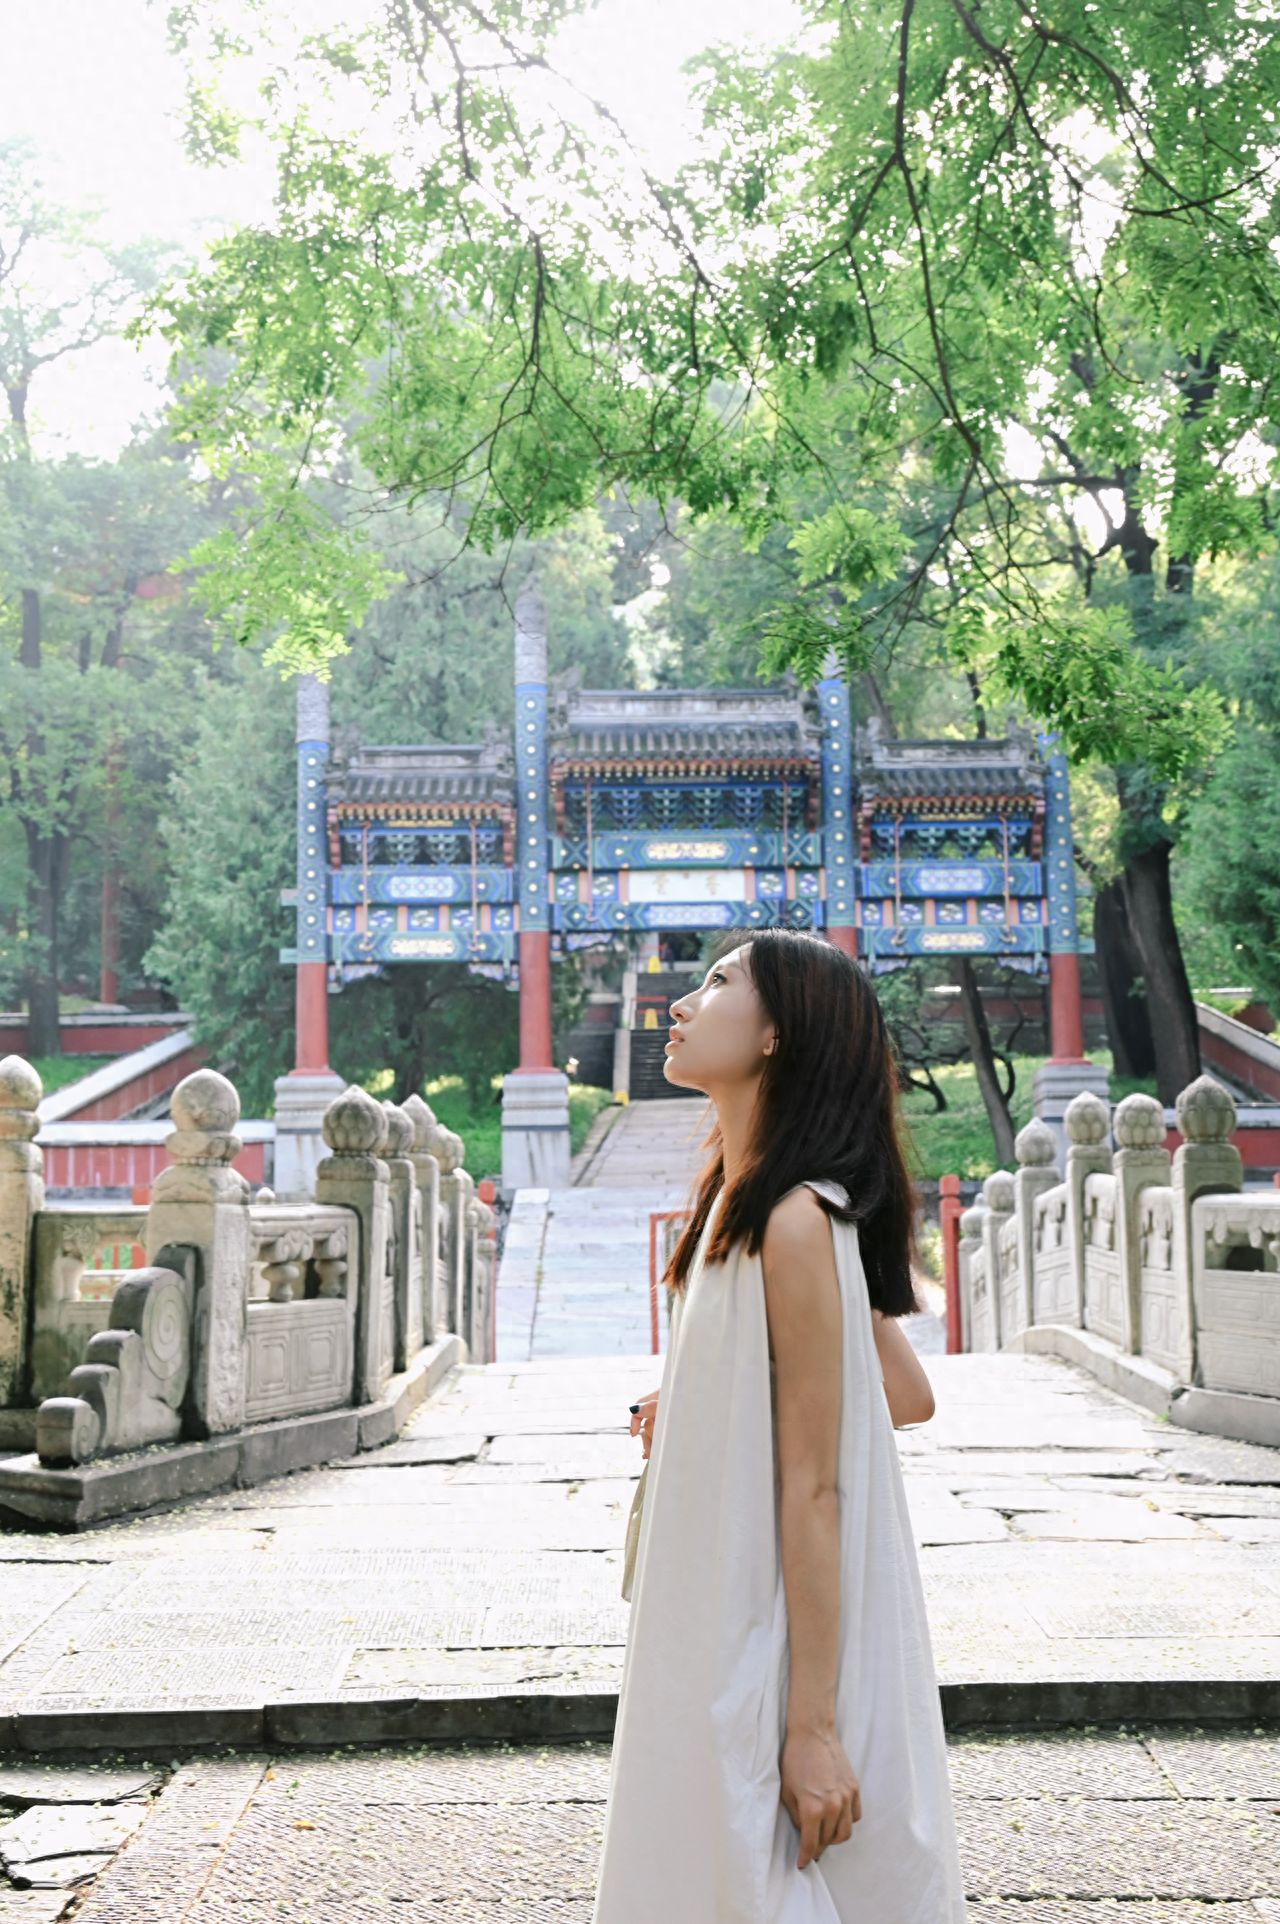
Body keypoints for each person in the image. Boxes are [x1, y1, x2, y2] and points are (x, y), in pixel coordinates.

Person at [590, 929, 968, 1922]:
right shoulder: (742, 1197)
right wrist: (710, 1395)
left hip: (761, 1618)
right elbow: (898, 1390)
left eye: (718, 983)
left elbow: (818, 1483)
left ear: (775, 1035)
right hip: (719, 1591)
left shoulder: (795, 1218)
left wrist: (812, 1728)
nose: (681, 1003)